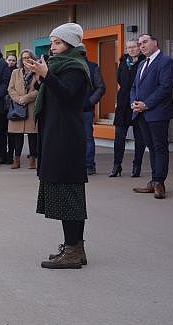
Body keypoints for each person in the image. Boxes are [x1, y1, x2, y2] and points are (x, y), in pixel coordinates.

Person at [30, 23, 91, 270]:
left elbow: (67, 95)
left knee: (69, 195)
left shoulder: (75, 67)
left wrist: (47, 75)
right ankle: (75, 248)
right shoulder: (60, 65)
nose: (52, 47)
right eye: (52, 42)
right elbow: (52, 94)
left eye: (57, 42)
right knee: (69, 194)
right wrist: (40, 78)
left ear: (70, 44)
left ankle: (73, 250)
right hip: (57, 134)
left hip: (66, 138)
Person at [130, 33, 173, 199]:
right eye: (139, 44)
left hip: (158, 113)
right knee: (151, 147)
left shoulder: (166, 61)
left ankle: (159, 183)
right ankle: (154, 180)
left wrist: (146, 104)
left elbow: (165, 88)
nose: (141, 46)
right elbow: (134, 87)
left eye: (145, 42)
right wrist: (134, 103)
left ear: (155, 43)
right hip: (141, 113)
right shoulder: (142, 63)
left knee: (159, 147)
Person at [109, 40, 146, 178]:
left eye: (134, 47)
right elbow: (119, 79)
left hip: (137, 101)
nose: (131, 50)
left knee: (139, 137)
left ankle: (137, 165)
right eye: (128, 47)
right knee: (119, 136)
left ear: (139, 47)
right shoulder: (123, 62)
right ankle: (116, 165)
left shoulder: (144, 61)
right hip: (123, 102)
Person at [6, 50, 39, 170]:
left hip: (31, 106)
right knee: (17, 135)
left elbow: (39, 89)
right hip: (17, 107)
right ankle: (17, 160)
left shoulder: (37, 71)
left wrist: (26, 98)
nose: (26, 60)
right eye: (24, 58)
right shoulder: (15, 72)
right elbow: (10, 88)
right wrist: (18, 99)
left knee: (32, 135)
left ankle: (32, 160)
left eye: (28, 57)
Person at [82, 59, 106, 176]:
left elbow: (101, 87)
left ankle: (89, 165)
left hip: (86, 110)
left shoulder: (92, 67)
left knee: (88, 138)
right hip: (70, 109)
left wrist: (90, 102)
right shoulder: (68, 65)